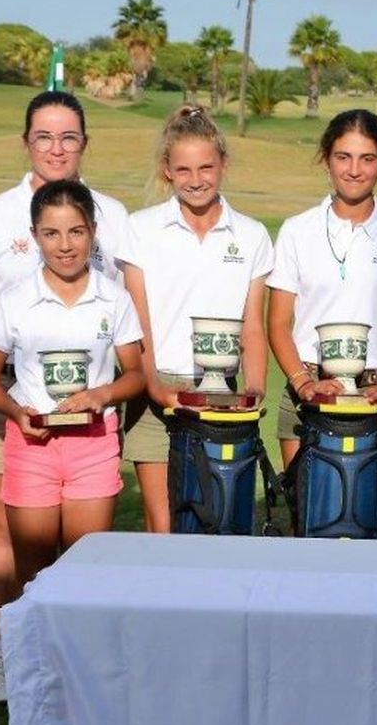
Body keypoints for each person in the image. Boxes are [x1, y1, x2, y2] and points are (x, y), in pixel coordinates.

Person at [0, 91, 128, 702]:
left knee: (81, 544)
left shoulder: (111, 213)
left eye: (68, 136)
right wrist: (25, 336)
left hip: (88, 411)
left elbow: (126, 304)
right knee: (4, 524)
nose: (56, 147)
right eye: (44, 136)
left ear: (84, 141)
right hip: (11, 397)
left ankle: (72, 658)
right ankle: (3, 652)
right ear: (26, 141)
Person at [0, 180, 145, 584]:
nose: (65, 245)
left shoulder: (114, 298)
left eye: (76, 232)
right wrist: (15, 410)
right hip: (32, 445)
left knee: (86, 571)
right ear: (34, 236)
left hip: (94, 445)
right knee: (34, 575)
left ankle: (78, 651)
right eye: (51, 233)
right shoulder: (14, 300)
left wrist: (102, 394)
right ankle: (31, 650)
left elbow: (135, 374)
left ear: (93, 233)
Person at [116, 104, 272, 533]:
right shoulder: (140, 228)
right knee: (165, 525)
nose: (196, 179)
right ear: (167, 169)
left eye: (206, 166)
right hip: (157, 388)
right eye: (183, 169)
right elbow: (136, 324)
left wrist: (255, 388)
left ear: (223, 164)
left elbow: (253, 326)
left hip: (222, 391)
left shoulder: (252, 234)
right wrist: (155, 387)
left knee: (218, 523)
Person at [268, 108, 377, 467]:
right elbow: (279, 322)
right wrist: (302, 383)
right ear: (326, 159)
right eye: (343, 157)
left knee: (371, 513)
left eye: (367, 158)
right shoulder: (297, 230)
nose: (354, 170)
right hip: (308, 386)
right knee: (306, 508)